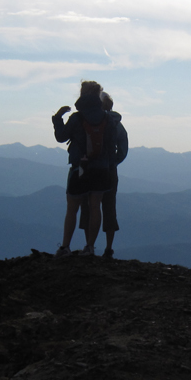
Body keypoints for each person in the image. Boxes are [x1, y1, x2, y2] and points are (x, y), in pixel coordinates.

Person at [52, 81, 117, 256]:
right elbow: (111, 147)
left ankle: (65, 247)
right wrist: (109, 166)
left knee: (72, 208)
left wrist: (57, 118)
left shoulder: (77, 118)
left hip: (80, 169)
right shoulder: (107, 119)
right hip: (102, 169)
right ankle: (90, 247)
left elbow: (60, 137)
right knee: (95, 206)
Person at [78, 91, 128, 259]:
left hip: (89, 169)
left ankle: (89, 245)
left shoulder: (88, 121)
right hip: (109, 171)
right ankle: (108, 249)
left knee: (89, 207)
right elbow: (123, 149)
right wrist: (112, 163)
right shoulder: (117, 124)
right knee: (109, 207)